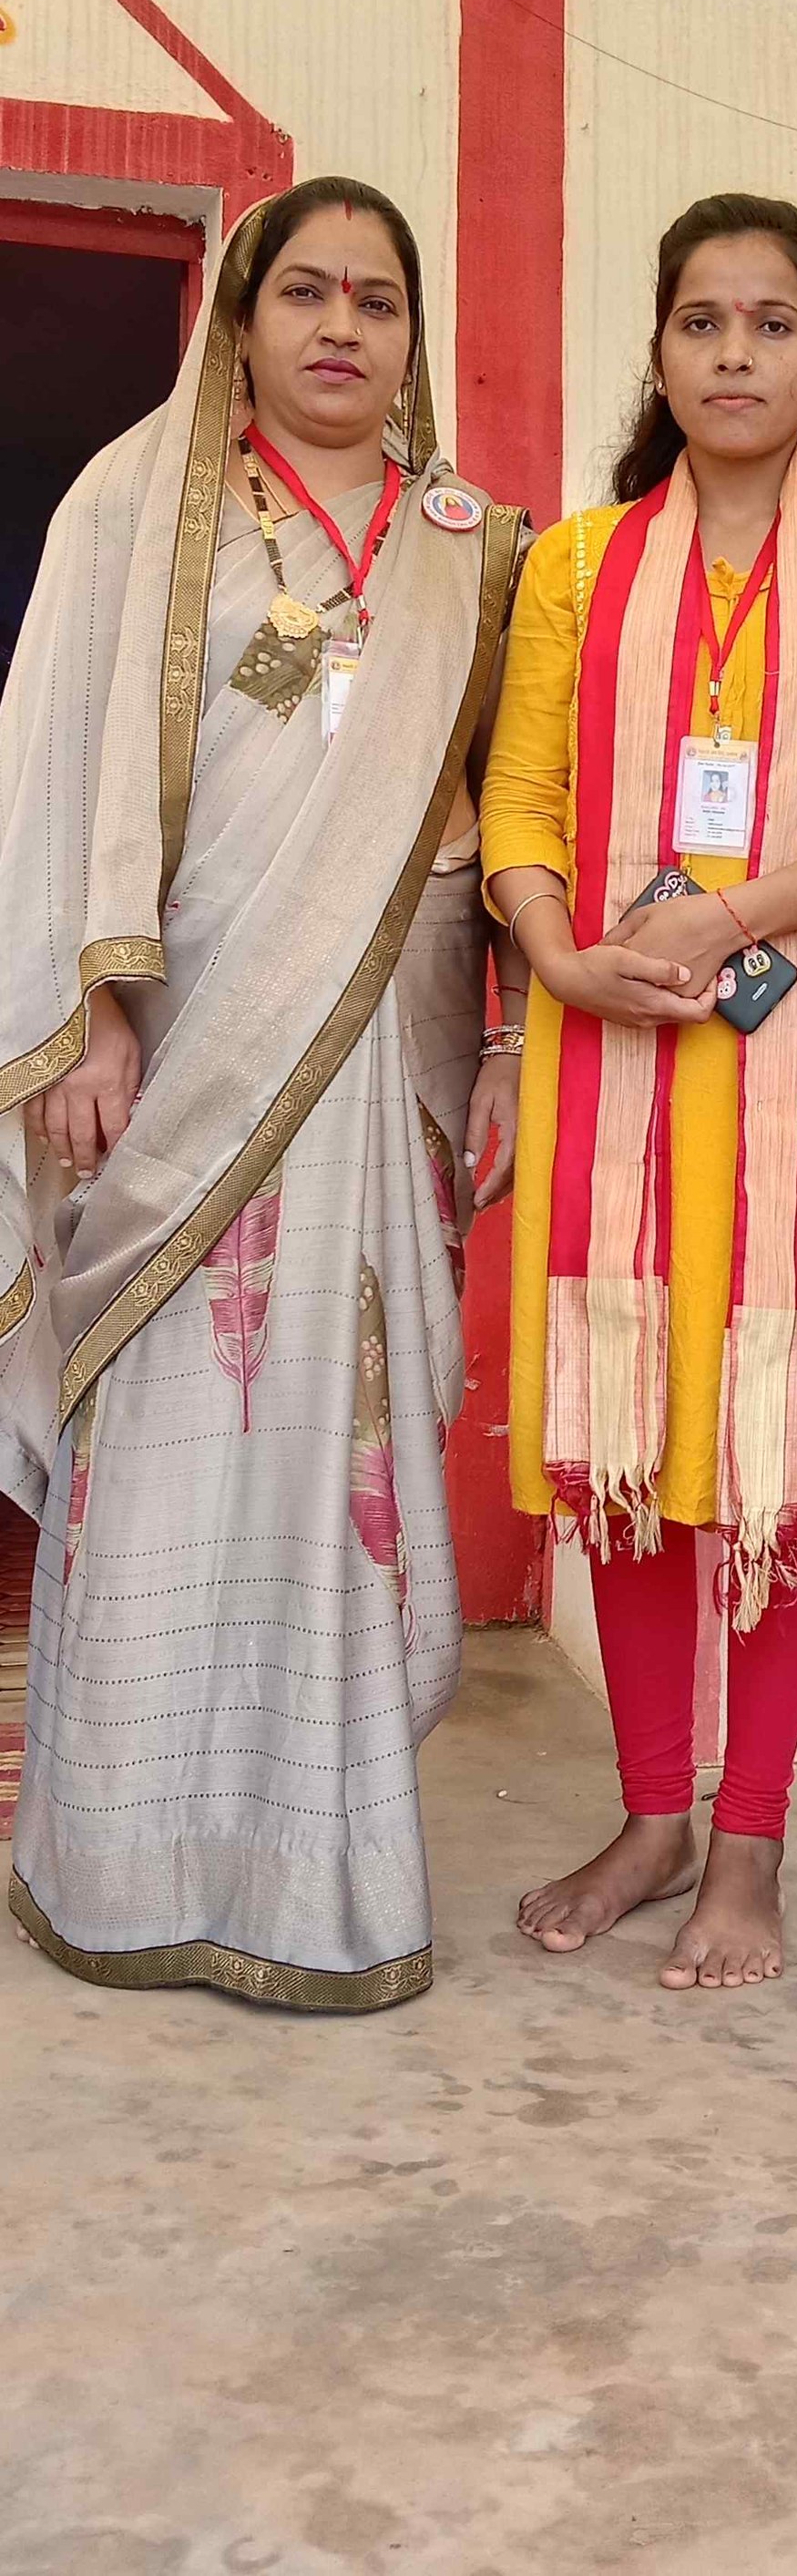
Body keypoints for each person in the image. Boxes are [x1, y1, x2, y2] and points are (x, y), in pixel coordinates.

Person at [0, 177, 526, 2007]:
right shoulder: (136, 510)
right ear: (240, 319)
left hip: (384, 1062)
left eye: (378, 299)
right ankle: (121, 1864)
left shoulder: (476, 546)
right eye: (305, 292)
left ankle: (325, 1880)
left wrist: (507, 1046)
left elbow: (509, 827)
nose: (341, 327)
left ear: (413, 336)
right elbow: (51, 773)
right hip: (179, 1062)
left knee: (337, 1439)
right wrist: (93, 1022)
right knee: (161, 1449)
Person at [481, 192, 797, 1988]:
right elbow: (522, 794)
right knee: (625, 1435)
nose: (736, 353)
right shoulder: (575, 567)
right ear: (661, 354)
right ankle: (651, 1816)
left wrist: (728, 915)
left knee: (777, 1439)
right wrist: (557, 953)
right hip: (609, 1041)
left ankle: (746, 1841)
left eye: (772, 324)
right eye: (702, 322)